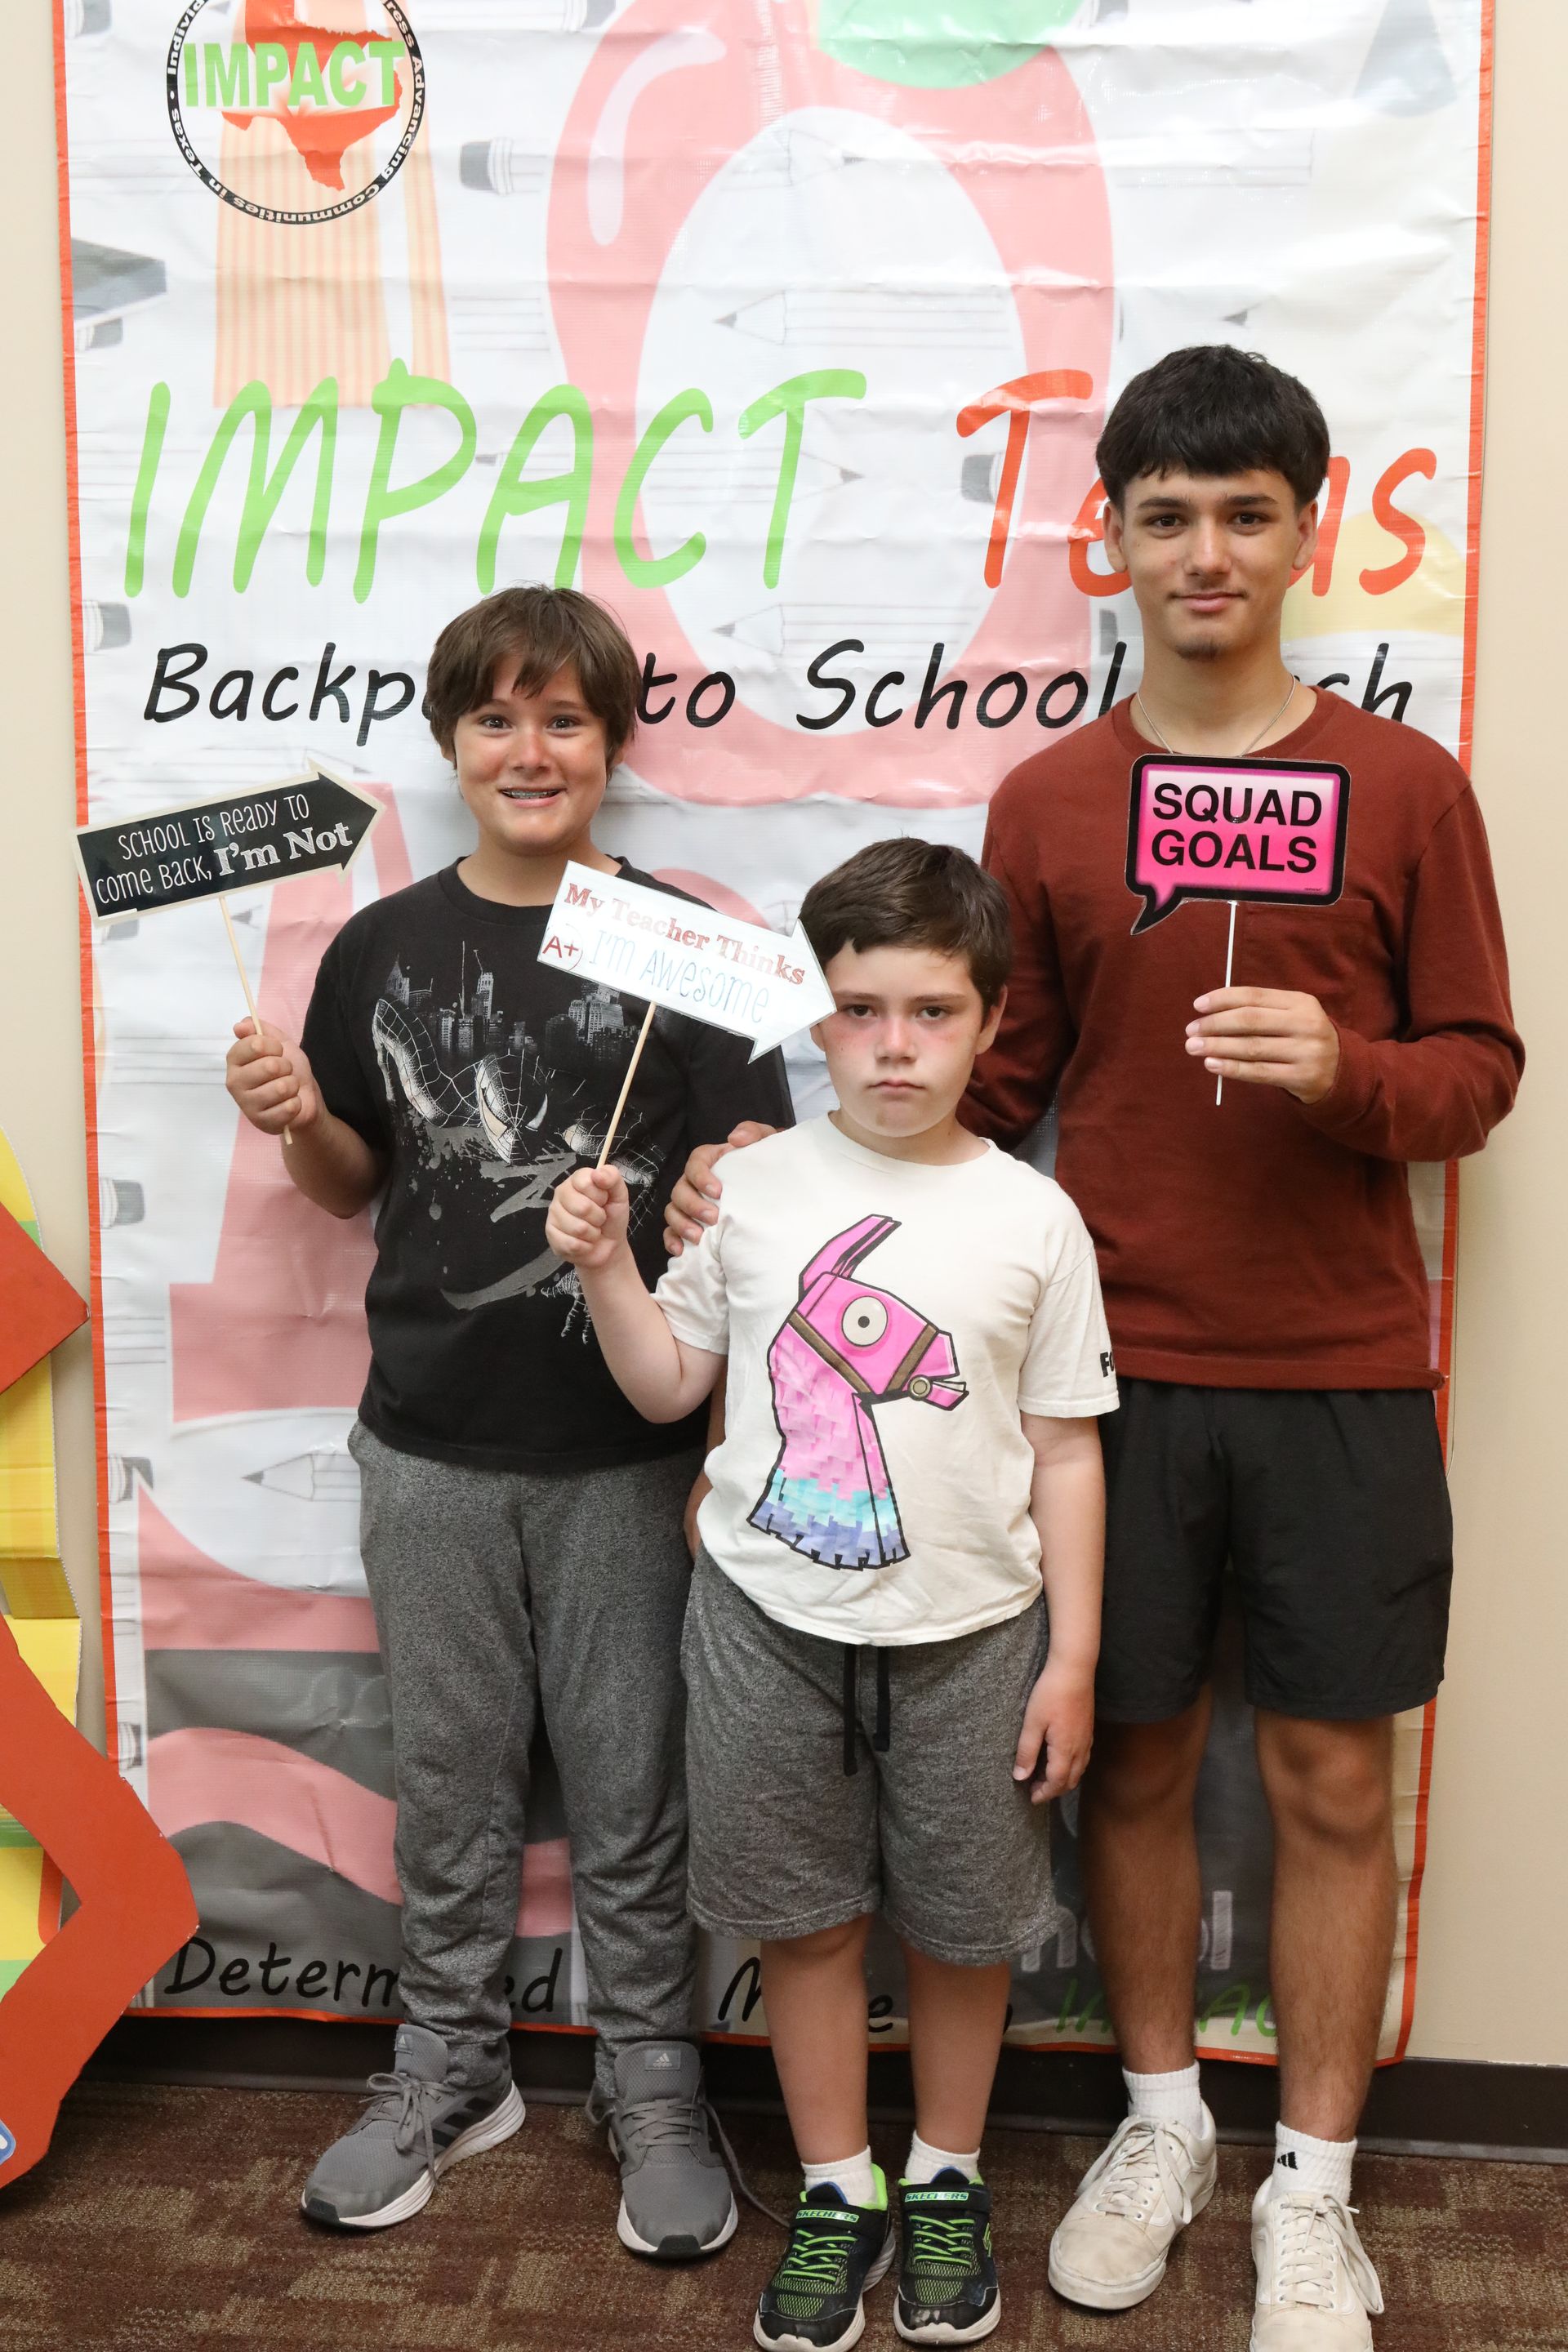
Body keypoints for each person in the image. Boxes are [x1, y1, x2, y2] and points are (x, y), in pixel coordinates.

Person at [664, 347, 1523, 2350]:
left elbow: (1479, 1074)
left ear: (1309, 527)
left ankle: (1315, 2184)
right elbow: (987, 1071)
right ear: (1111, 541)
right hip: (1102, 1379)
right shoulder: (1050, 798)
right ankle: (1158, 2125)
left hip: (1333, 1369)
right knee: (1127, 1765)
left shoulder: (1406, 791)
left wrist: (1346, 1070)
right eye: (1166, 515)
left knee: (1328, 1775)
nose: (1205, 549)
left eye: (1245, 512)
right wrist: (775, 1171)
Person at [224, 584, 791, 2256]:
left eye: (565, 719)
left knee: (632, 1796)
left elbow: (740, 1184)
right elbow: (348, 1186)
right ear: (451, 744)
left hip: (625, 1456)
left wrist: (714, 1184)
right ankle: (449, 2066)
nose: (530, 750)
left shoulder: (687, 940)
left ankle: (652, 2081)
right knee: (454, 1791)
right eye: (496, 720)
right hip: (427, 1452)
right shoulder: (384, 947)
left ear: (613, 745)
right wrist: (298, 1117)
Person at [550, 837, 1117, 2350]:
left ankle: (944, 2179)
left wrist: (1073, 1659)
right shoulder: (750, 1191)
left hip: (979, 1641)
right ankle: (836, 2187)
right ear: (817, 1015)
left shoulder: (1035, 1220)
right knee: (799, 1926)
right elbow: (672, 1384)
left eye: (933, 1013)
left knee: (963, 1929)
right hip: (761, 1631)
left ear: (993, 1021)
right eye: (861, 1010)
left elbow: (1064, 1451)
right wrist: (607, 1268)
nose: (893, 1046)